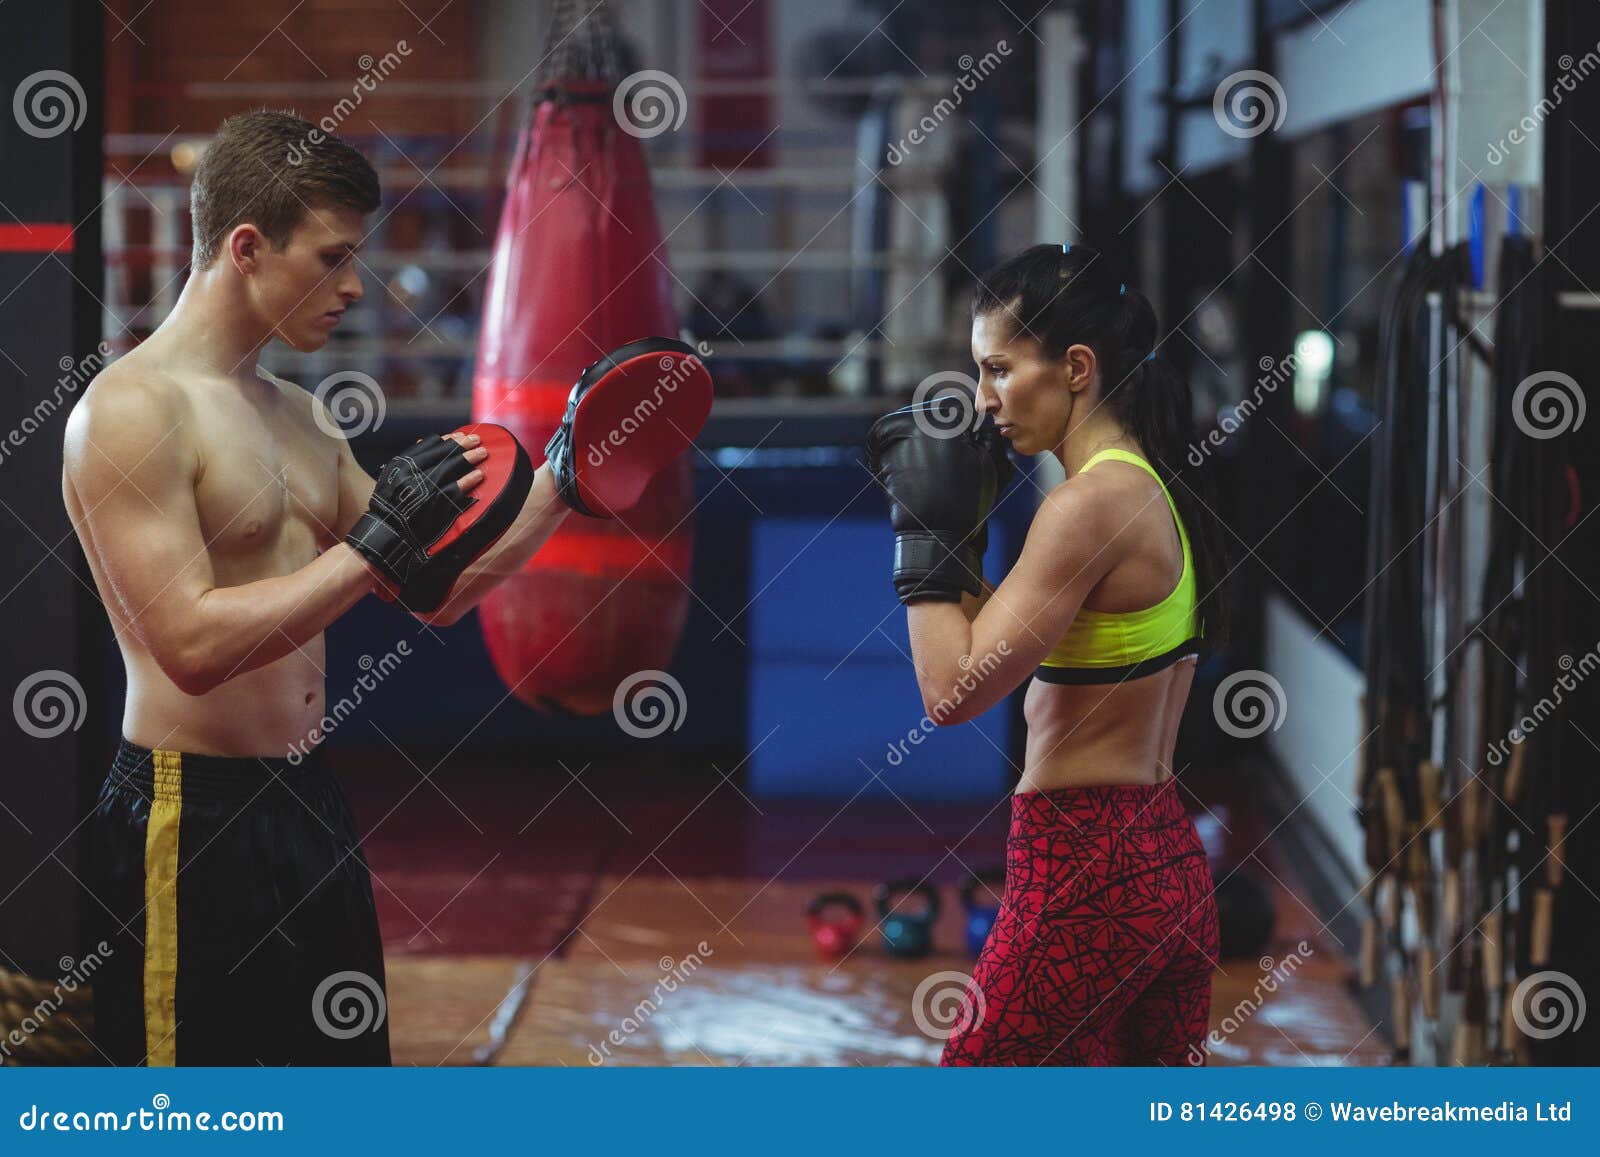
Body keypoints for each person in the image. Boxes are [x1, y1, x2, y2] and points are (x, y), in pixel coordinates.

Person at [63, 110, 703, 1066]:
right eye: (330, 257)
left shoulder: (302, 417)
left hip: (308, 805)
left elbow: (429, 584)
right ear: (246, 247)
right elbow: (189, 647)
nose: (353, 285)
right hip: (185, 816)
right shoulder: (128, 410)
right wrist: (372, 549)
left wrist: (563, 482)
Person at [867, 242, 1232, 1066]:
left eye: (998, 368)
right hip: (1164, 863)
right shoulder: (1148, 482)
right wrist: (957, 535)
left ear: (1074, 367)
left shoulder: (1087, 505)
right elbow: (989, 643)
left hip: (1084, 871)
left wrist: (924, 535)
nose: (982, 397)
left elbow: (951, 693)